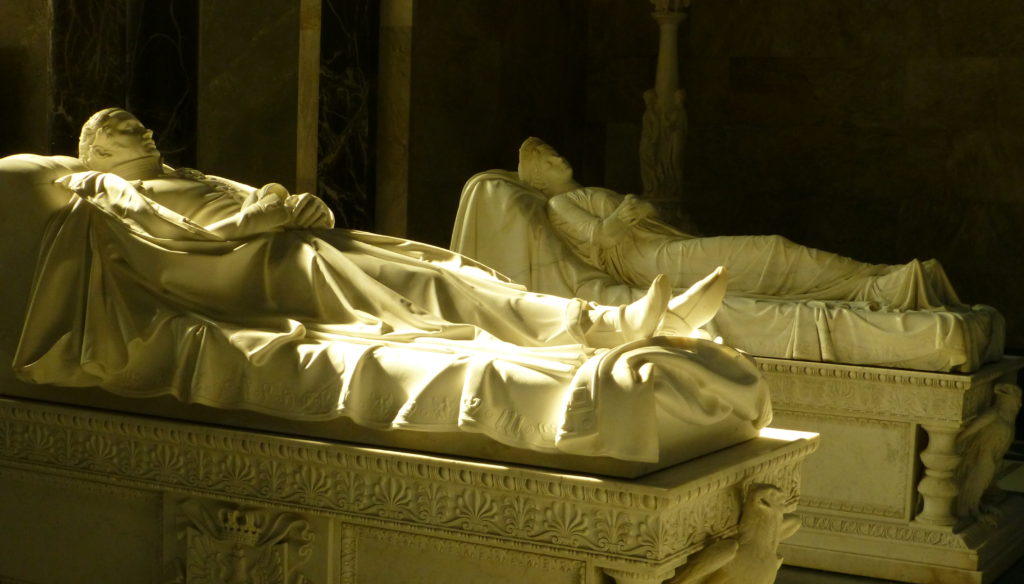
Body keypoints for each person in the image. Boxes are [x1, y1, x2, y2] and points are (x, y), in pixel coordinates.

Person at [12, 109, 770, 463]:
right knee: (435, 292)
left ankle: (603, 320)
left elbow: (241, 207)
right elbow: (187, 248)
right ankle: (605, 327)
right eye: (121, 129)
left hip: (296, 249)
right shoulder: (108, 193)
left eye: (139, 126)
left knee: (443, 268)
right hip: (265, 279)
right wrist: (261, 220)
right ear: (96, 149)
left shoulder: (179, 174)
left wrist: (290, 206)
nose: (139, 131)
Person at [517, 137, 961, 311]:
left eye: (553, 150)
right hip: (651, 262)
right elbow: (601, 237)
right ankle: (876, 288)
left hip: (660, 247)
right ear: (538, 178)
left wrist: (640, 211)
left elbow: (638, 217)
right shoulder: (559, 207)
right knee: (771, 252)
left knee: (773, 252)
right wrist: (622, 215)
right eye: (546, 158)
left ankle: (877, 281)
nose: (558, 156)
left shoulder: (580, 193)